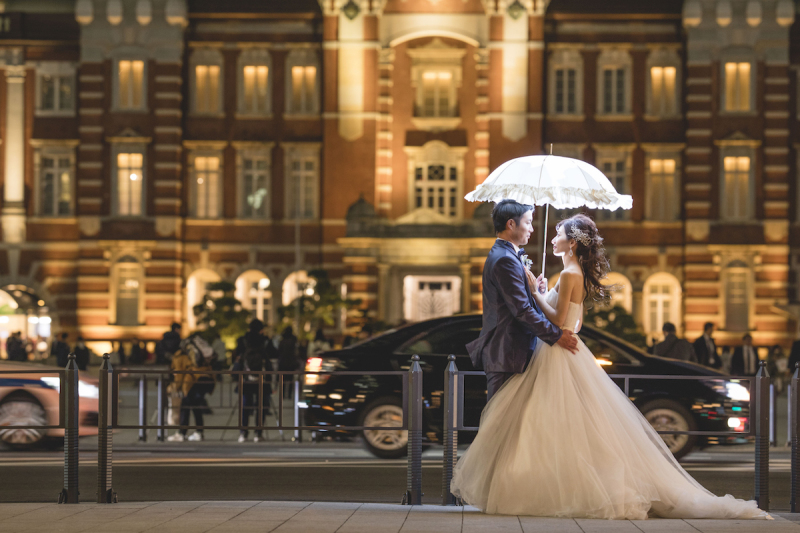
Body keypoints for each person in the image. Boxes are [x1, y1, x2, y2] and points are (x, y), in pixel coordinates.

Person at [450, 213, 768, 520]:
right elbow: (567, 316)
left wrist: (536, 293)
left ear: (572, 243)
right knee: (567, 426)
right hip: (564, 351)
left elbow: (560, 321)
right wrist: (546, 293)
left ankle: (558, 487)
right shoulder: (573, 272)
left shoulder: (571, 274)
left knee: (553, 424)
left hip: (560, 351)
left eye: (558, 234)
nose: (552, 238)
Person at [465, 199, 577, 402]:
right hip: (508, 354)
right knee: (501, 425)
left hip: (512, 354)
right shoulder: (505, 259)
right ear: (511, 224)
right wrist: (556, 336)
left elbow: (516, 303)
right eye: (527, 222)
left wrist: (537, 293)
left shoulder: (506, 255)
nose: (532, 229)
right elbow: (521, 311)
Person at [232, 319, 276, 442]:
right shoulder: (265, 341)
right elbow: (274, 354)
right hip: (263, 378)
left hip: (246, 378)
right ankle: (258, 433)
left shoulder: (243, 340)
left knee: (245, 405)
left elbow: (237, 356)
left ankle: (243, 433)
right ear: (261, 330)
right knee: (261, 407)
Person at [167, 341, 214, 442]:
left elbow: (179, 374)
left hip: (194, 381)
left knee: (185, 405)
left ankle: (182, 434)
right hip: (207, 378)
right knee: (195, 406)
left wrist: (177, 387)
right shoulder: (194, 352)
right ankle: (199, 432)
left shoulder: (179, 356)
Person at [278, 326, 298, 399]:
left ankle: (282, 394)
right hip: (290, 363)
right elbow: (295, 352)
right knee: (290, 379)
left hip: (283, 362)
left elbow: (279, 351)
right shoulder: (293, 341)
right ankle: (289, 395)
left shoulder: (282, 341)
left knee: (283, 379)